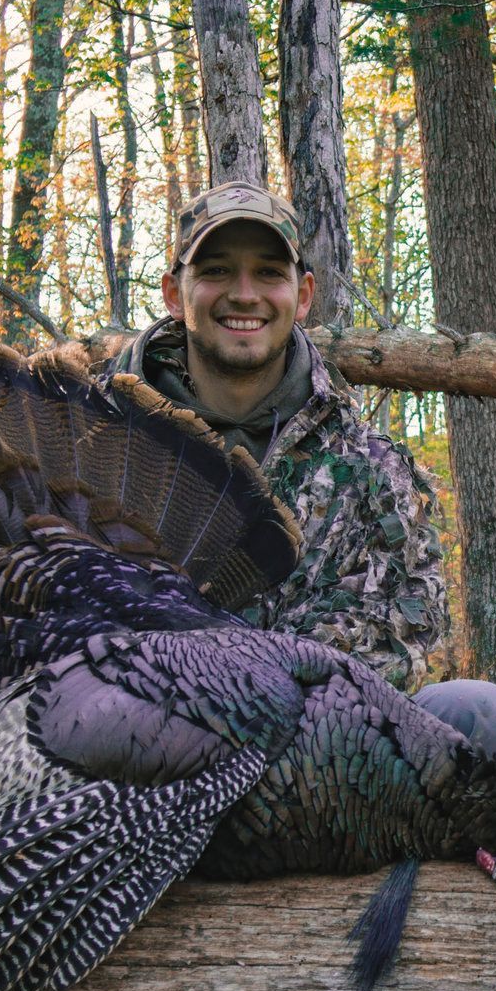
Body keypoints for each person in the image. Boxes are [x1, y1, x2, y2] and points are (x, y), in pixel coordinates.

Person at [100, 181, 447, 686]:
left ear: (303, 296)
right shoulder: (92, 436)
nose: (244, 294)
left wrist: (250, 679)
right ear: (175, 294)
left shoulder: (371, 469)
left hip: (313, 739)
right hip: (122, 737)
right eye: (217, 270)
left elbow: (407, 626)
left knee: (484, 715)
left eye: (268, 272)